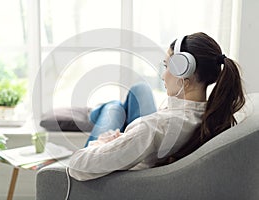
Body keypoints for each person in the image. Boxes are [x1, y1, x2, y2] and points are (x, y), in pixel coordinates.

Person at [68, 32, 245, 181]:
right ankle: (100, 111)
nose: (162, 76)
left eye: (167, 66)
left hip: (137, 144)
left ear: (184, 73)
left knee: (114, 108)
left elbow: (77, 165)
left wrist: (101, 143)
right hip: (146, 142)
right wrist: (124, 140)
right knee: (137, 91)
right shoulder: (211, 115)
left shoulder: (152, 128)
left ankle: (96, 113)